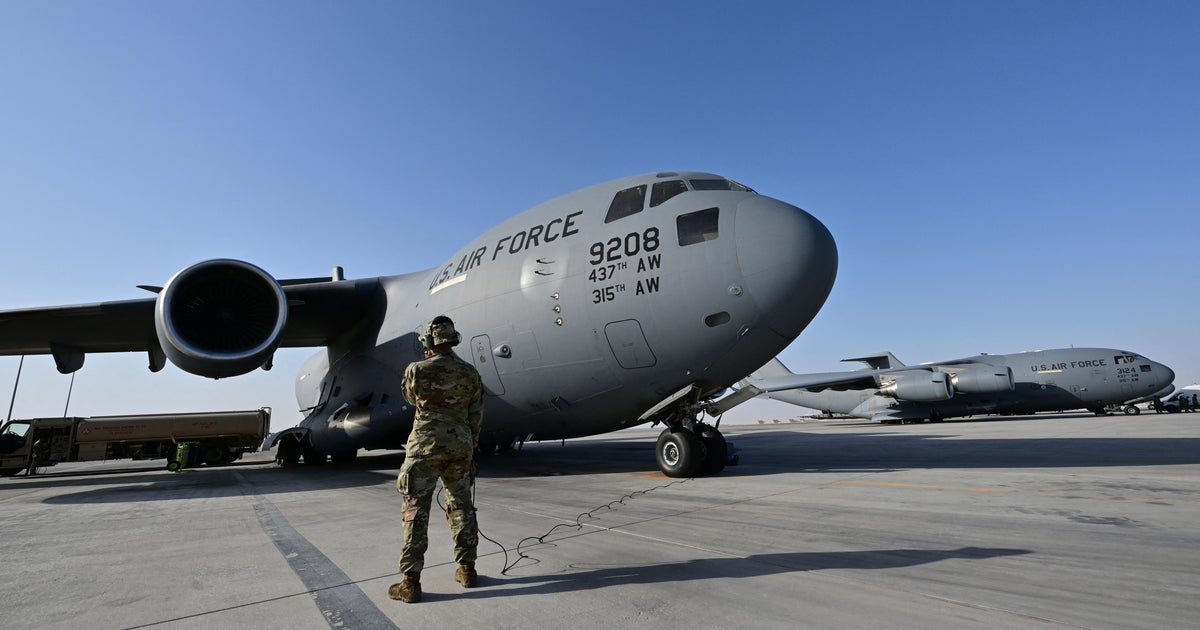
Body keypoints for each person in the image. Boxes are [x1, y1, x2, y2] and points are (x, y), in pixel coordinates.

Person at [389, 315, 484, 604]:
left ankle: (410, 582)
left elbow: (410, 398)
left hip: (424, 449)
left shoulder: (416, 370)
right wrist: (468, 447)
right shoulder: (470, 373)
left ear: (429, 342)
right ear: (453, 340)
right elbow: (475, 416)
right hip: (459, 447)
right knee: (462, 507)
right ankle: (467, 570)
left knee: (415, 512)